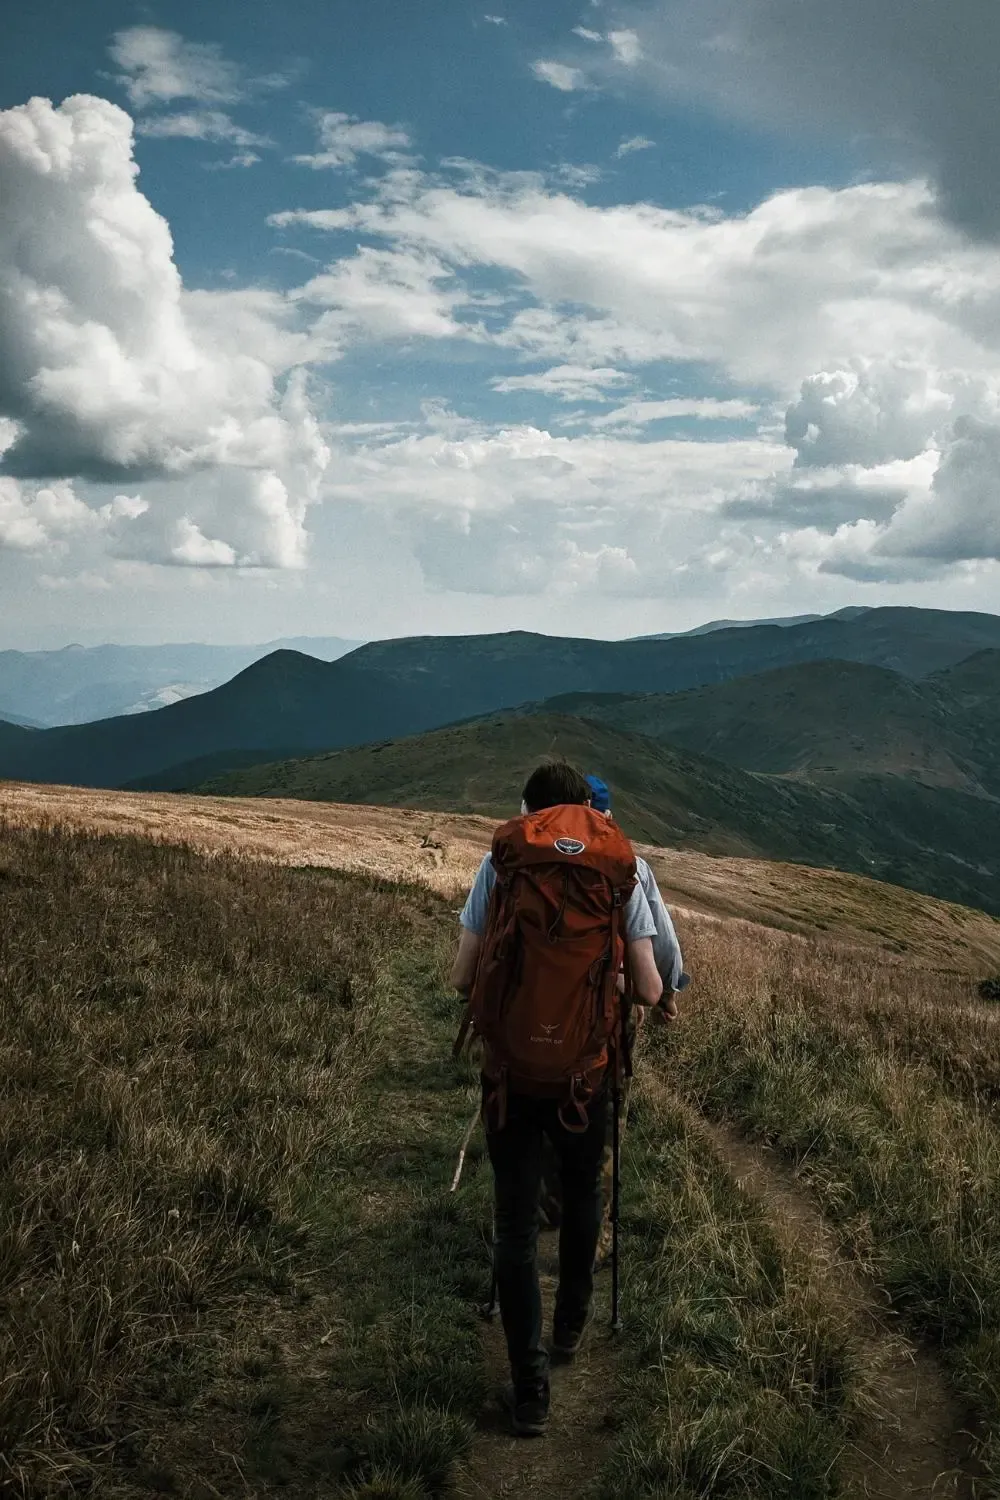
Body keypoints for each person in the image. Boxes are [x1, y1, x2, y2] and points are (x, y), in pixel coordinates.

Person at [451, 761, 671, 1438]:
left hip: (513, 1078)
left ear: (530, 810)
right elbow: (649, 990)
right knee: (581, 1199)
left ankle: (529, 1386)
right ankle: (572, 1324)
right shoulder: (615, 870)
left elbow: (463, 976)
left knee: (515, 1225)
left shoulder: (505, 864)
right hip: (587, 1074)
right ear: (586, 810)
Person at [539, 773, 688, 1261]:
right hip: (609, 1010)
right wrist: (668, 994)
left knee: (540, 1096)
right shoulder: (630, 866)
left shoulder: (523, 861)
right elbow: (663, 947)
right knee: (603, 1116)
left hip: (538, 1010)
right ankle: (594, 1235)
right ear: (605, 813)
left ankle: (549, 1200)